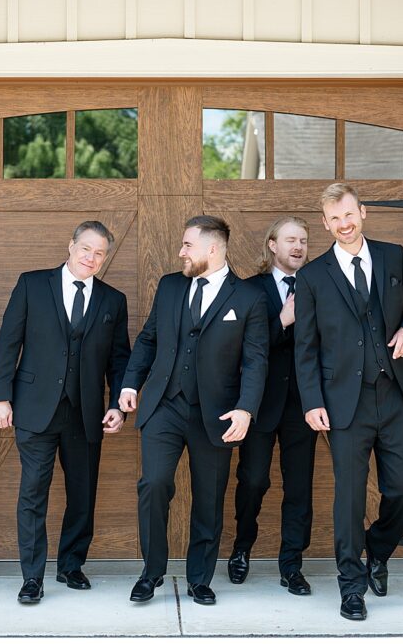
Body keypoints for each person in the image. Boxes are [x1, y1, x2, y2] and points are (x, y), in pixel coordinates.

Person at [120, 215, 269, 606]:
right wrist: (129, 383)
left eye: (188, 245)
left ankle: (200, 579)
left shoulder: (249, 298)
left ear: (213, 249)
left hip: (216, 413)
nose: (181, 252)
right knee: (153, 485)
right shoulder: (171, 286)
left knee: (209, 497)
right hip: (164, 405)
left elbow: (256, 361)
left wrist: (246, 410)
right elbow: (149, 338)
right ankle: (151, 573)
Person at [294, 183, 403, 621]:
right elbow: (305, 346)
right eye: (334, 220)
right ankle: (351, 586)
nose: (343, 225)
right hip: (342, 402)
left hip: (394, 394)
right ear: (326, 223)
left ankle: (379, 551)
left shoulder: (393, 256)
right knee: (349, 497)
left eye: (349, 215)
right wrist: (311, 400)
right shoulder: (312, 276)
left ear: (362, 212)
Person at [0, 221, 131, 604]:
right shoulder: (32, 284)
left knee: (82, 494)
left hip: (85, 413)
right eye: (86, 248)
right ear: (70, 246)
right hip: (35, 408)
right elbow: (8, 342)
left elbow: (120, 360)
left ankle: (71, 565)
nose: (91, 258)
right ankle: (32, 577)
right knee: (33, 493)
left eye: (100, 253)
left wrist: (118, 404)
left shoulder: (112, 300)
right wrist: (0, 397)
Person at [227, 216, 318, 596]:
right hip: (259, 403)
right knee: (253, 480)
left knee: (299, 487)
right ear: (272, 245)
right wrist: (282, 319)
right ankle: (241, 547)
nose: (298, 246)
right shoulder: (249, 290)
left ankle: (291, 565)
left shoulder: (318, 287)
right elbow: (240, 347)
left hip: (304, 404)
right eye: (290, 239)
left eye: (304, 240)